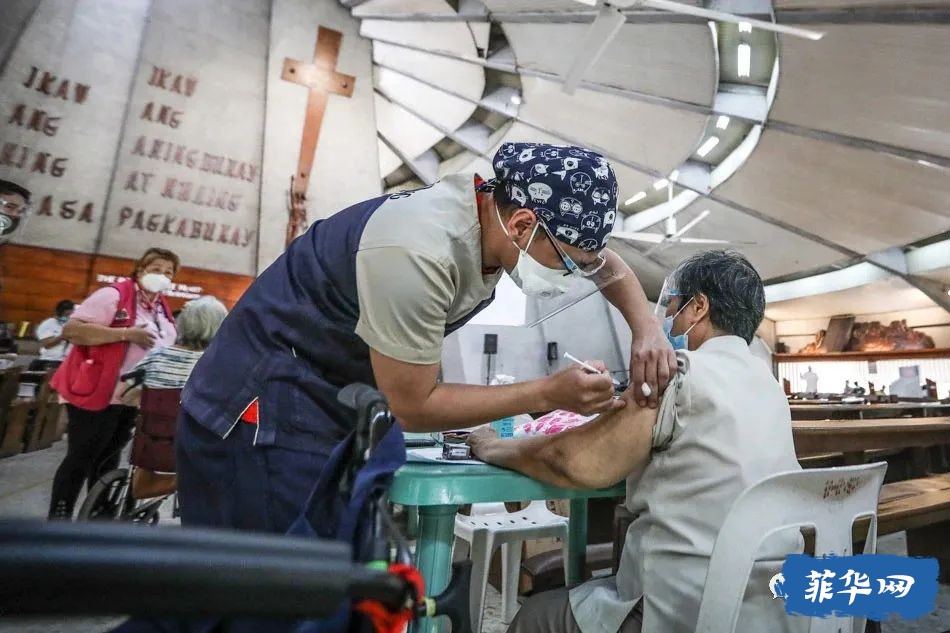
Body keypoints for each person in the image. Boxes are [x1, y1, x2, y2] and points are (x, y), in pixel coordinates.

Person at [177, 142, 676, 538]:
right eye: (567, 263)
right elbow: (412, 406)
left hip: (332, 397)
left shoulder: (490, 216)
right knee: (262, 587)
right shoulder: (418, 251)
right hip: (262, 407)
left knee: (327, 578)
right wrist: (547, 393)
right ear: (523, 224)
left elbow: (603, 261)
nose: (571, 276)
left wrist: (646, 329)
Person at [468, 250, 803, 633]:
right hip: (769, 607)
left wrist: (492, 445)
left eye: (673, 306)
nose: (666, 319)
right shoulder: (769, 387)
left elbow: (576, 461)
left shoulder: (678, 373)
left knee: (537, 615)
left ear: (698, 307)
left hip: (688, 607)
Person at [48, 248, 179, 520]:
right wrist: (126, 334)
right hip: (96, 389)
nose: (162, 276)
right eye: (156, 269)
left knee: (109, 456)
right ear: (140, 270)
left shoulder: (160, 308)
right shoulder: (113, 295)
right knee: (83, 455)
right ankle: (59, 515)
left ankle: (100, 514)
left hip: (130, 396)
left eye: (169, 272)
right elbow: (72, 331)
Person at [30, 299, 75, 371]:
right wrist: (62, 336)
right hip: (51, 360)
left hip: (68, 361)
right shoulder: (48, 324)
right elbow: (47, 344)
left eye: (69, 315)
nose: (67, 317)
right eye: (65, 315)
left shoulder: (72, 324)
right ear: (58, 312)